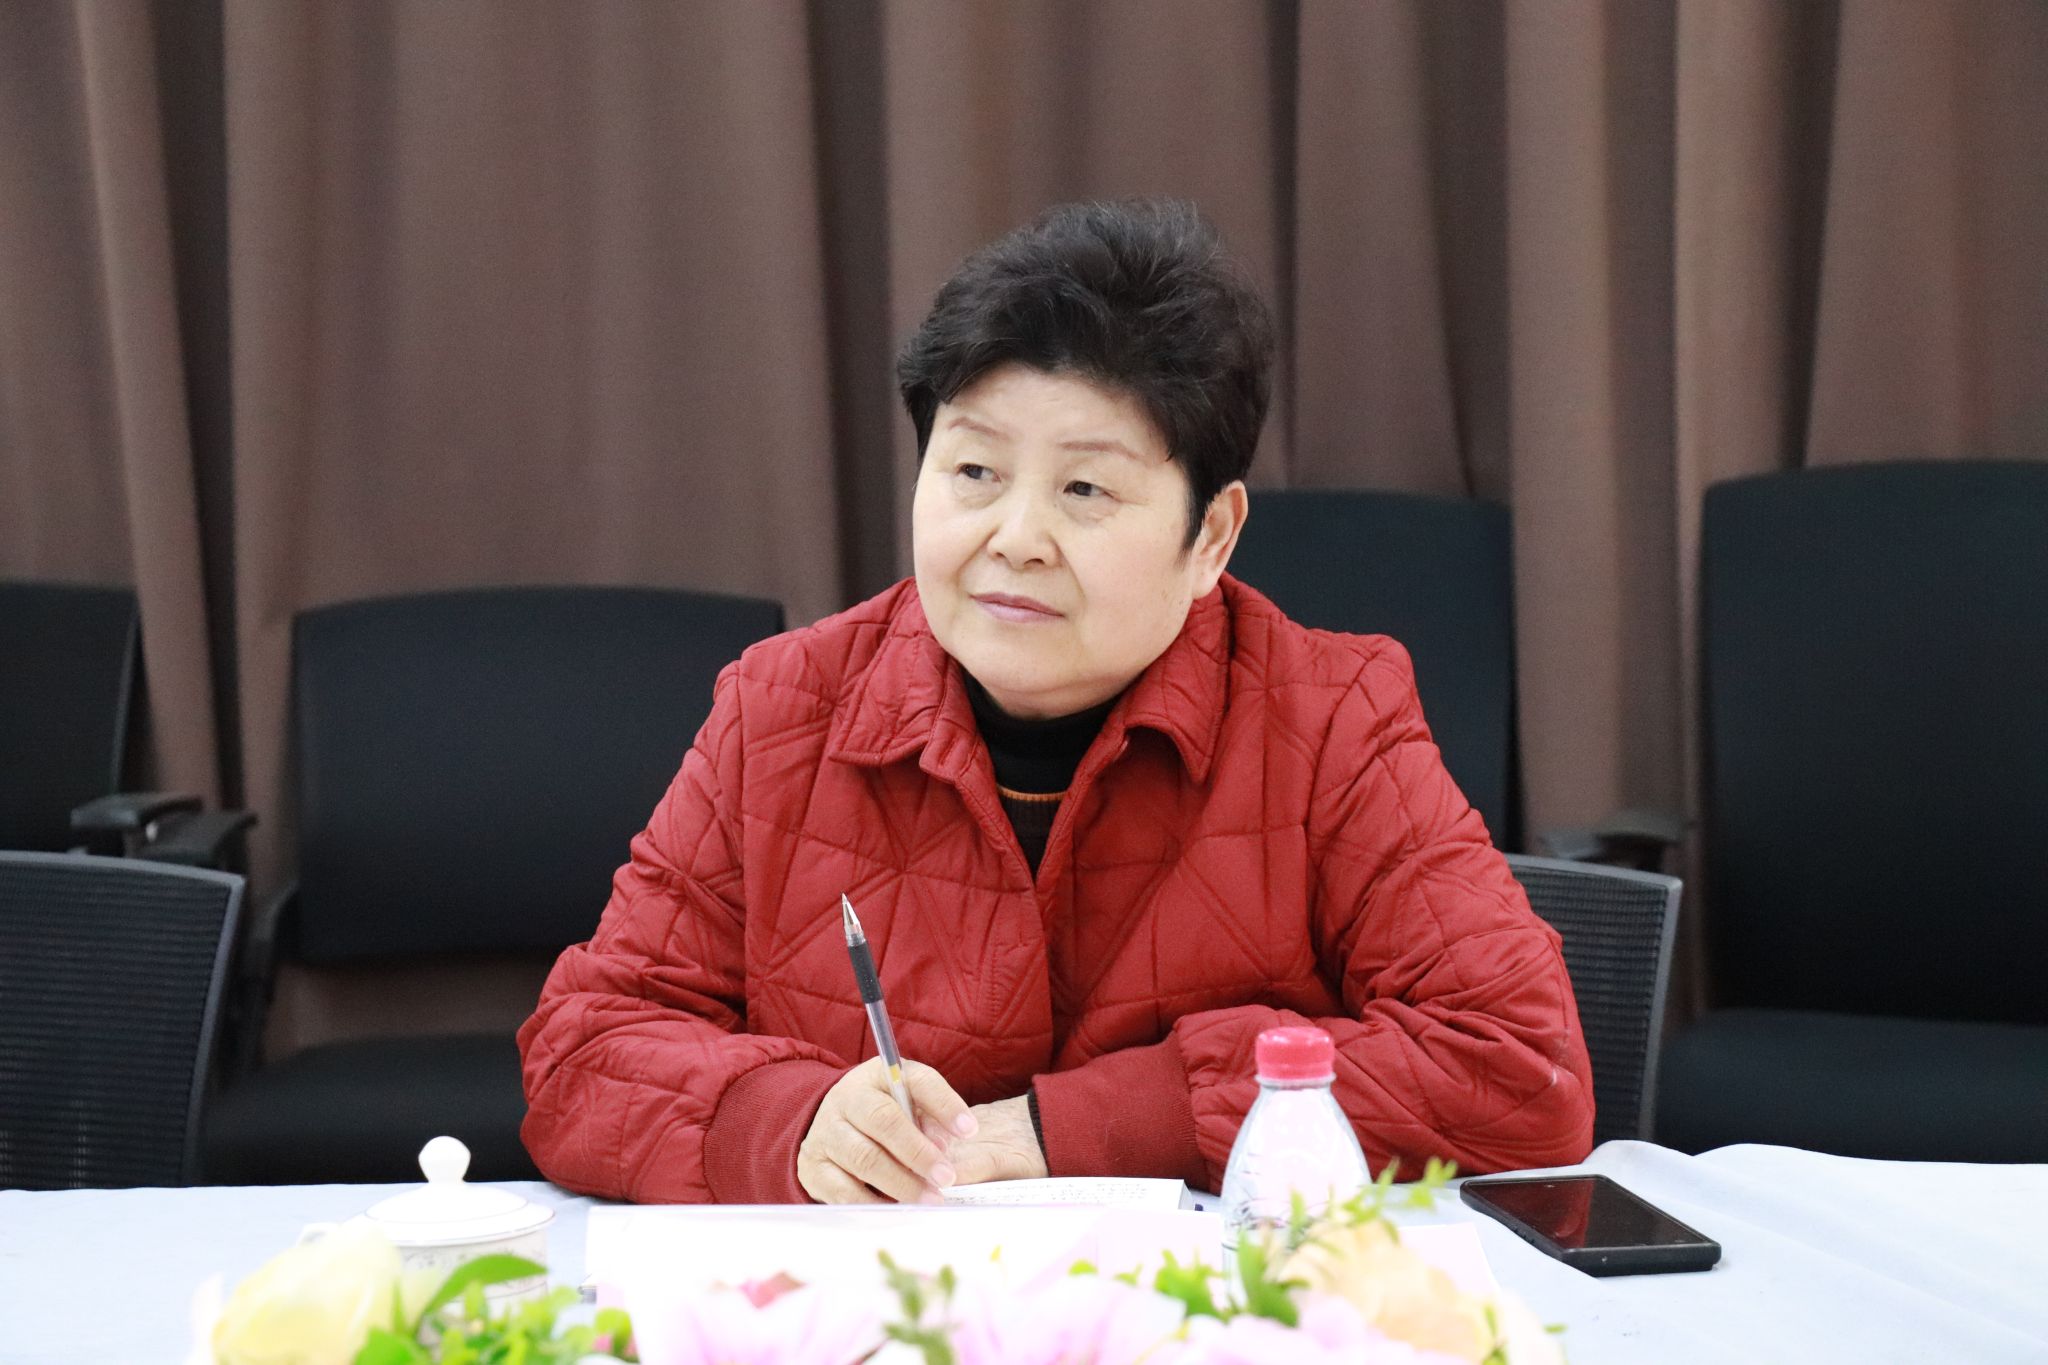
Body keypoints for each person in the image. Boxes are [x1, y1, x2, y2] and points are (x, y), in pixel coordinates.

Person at [518, 200, 1594, 1205]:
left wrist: (1078, 1127)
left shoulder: (1328, 719)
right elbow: (583, 1048)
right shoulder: (781, 707)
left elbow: (1517, 1068)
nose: (1015, 538)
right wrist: (786, 1123)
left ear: (1211, 537)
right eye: (974, 472)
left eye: (1083, 489)